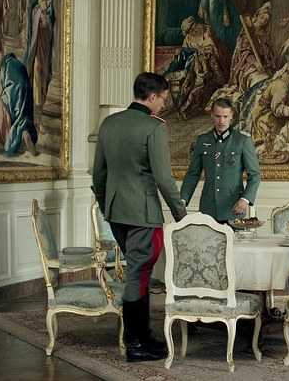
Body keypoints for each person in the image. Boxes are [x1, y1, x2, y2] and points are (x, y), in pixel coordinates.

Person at [91, 72, 187, 363]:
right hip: (143, 213)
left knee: (138, 272)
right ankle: (135, 343)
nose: (163, 105)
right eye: (163, 99)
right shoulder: (153, 127)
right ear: (152, 96)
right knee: (139, 273)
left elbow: (99, 175)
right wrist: (180, 214)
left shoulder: (109, 124)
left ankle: (143, 337)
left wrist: (106, 206)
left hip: (115, 211)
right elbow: (164, 179)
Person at [180, 98, 261, 222]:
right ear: (212, 115)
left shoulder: (242, 141)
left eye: (225, 116)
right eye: (218, 116)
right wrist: (183, 200)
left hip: (233, 209)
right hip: (208, 209)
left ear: (231, 115)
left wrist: (245, 199)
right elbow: (193, 174)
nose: (221, 121)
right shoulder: (203, 140)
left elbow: (255, 175)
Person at [0, 52, 38, 156]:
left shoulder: (3, 67)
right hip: (26, 94)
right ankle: (25, 132)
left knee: (0, 105)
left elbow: (0, 96)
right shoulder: (16, 63)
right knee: (21, 117)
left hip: (13, 93)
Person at [23, 0, 55, 133]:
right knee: (35, 71)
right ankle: (34, 120)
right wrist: (39, 16)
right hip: (36, 35)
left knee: (43, 74)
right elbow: (32, 5)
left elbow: (50, 6)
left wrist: (47, 17)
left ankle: (39, 118)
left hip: (45, 36)